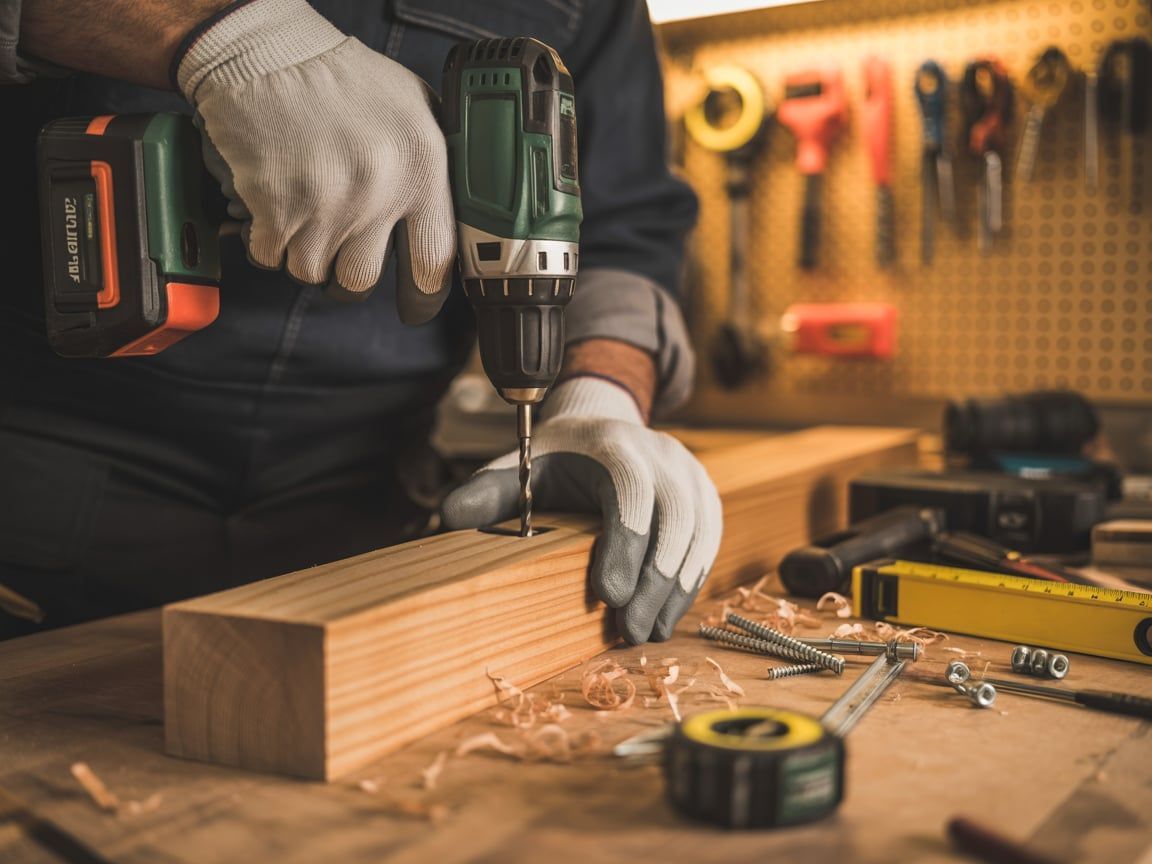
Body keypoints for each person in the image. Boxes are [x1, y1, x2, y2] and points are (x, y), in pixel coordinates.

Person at [0, 0, 721, 645]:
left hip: (366, 516)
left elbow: (628, 232)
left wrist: (602, 394)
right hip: (39, 494)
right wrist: (223, 39)